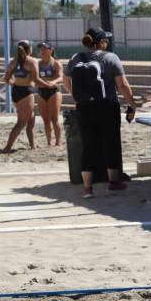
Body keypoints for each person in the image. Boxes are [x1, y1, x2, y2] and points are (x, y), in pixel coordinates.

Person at [63, 28, 137, 199]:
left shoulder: (76, 58)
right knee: (110, 142)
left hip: (83, 107)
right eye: (106, 40)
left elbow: (66, 79)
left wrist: (75, 96)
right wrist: (132, 103)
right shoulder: (110, 58)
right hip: (107, 106)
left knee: (88, 145)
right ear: (102, 42)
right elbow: (123, 84)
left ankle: (88, 189)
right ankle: (113, 183)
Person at [0, 40, 52, 153]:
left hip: (16, 91)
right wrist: (48, 85)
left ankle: (33, 145)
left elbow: (6, 79)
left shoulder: (13, 62)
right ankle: (7, 147)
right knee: (21, 122)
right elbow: (37, 79)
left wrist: (14, 82)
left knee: (31, 119)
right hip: (26, 92)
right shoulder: (32, 61)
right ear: (29, 49)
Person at [36, 42, 63, 146]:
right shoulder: (38, 63)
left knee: (54, 119)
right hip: (41, 91)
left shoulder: (56, 63)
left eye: (45, 49)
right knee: (45, 119)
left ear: (51, 50)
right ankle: (48, 142)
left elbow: (61, 77)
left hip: (53, 91)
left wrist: (53, 82)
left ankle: (58, 142)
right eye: (41, 49)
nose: (42, 51)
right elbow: (34, 77)